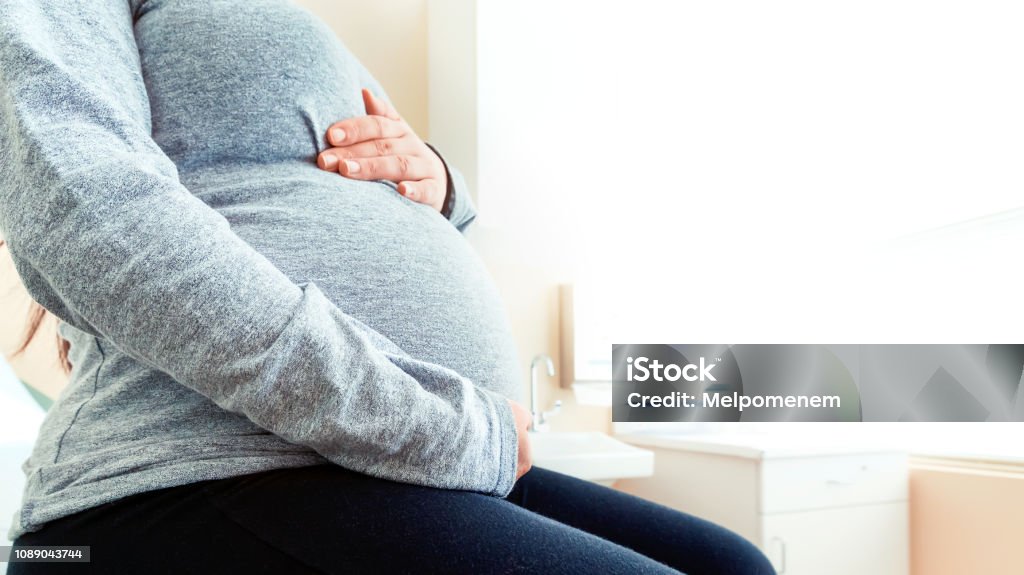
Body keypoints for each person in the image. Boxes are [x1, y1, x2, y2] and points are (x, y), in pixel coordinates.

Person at [0, 1, 774, 573]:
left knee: (736, 564)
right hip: (206, 462)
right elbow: (83, 205)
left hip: (383, 464)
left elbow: (336, 175)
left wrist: (439, 187)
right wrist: (440, 427)